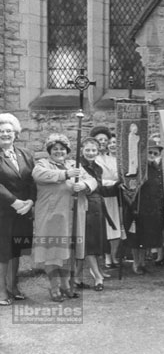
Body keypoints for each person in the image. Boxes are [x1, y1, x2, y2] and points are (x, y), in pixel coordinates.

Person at [32, 134, 85, 301]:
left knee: (67, 252)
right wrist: (66, 174)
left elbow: (92, 180)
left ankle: (66, 285)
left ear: (67, 151)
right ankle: (54, 287)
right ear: (49, 151)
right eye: (55, 149)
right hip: (50, 216)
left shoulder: (74, 165)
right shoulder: (43, 164)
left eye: (62, 149)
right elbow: (38, 174)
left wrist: (83, 184)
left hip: (69, 217)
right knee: (52, 253)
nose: (59, 151)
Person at [0, 113, 35, 305]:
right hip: (3, 212)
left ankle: (13, 286)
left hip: (23, 212)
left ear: (16, 133)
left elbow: (32, 181)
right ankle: (1, 292)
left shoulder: (26, 155)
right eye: (1, 132)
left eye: (8, 131)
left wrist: (30, 201)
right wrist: (14, 201)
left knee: (16, 249)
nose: (5, 134)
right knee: (2, 252)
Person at [74, 137, 117, 292]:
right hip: (83, 207)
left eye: (94, 150)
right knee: (88, 243)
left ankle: (77, 278)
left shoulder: (98, 168)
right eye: (87, 150)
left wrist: (117, 187)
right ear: (81, 151)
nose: (91, 153)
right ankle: (97, 276)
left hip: (97, 206)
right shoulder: (76, 166)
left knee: (92, 242)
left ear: (98, 152)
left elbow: (99, 187)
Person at [127, 137, 164, 275]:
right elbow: (131, 186)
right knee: (137, 237)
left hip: (152, 207)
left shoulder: (156, 169)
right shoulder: (138, 168)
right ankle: (136, 263)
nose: (153, 156)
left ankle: (143, 262)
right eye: (150, 153)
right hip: (139, 207)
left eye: (156, 154)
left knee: (147, 237)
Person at [91, 126, 123, 269]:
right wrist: (110, 182)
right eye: (100, 140)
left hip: (114, 195)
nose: (103, 142)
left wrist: (117, 182)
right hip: (100, 195)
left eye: (105, 139)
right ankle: (107, 257)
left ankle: (114, 255)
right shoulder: (93, 158)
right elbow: (94, 178)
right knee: (104, 228)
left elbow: (118, 175)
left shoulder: (113, 159)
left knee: (115, 226)